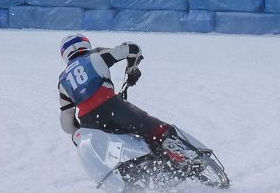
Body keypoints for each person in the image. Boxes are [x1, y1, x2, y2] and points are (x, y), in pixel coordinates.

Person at [56, 35, 201, 168]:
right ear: (85, 43)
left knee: (120, 147)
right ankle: (184, 156)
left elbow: (67, 125)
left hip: (90, 123)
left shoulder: (62, 81)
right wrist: (132, 70)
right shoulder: (96, 55)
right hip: (112, 107)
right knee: (154, 129)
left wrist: (79, 132)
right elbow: (132, 49)